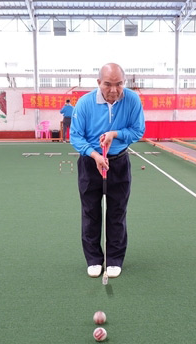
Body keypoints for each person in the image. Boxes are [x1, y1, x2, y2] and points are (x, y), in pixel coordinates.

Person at [70, 63, 145, 279]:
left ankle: (114, 260)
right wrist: (94, 155)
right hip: (90, 163)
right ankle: (94, 259)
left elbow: (138, 130)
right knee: (90, 212)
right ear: (98, 83)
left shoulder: (132, 100)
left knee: (117, 213)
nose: (114, 90)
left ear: (125, 82)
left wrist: (115, 133)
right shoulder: (85, 103)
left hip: (118, 163)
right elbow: (76, 135)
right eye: (108, 84)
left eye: (119, 84)